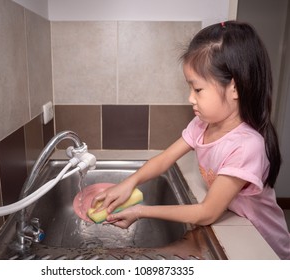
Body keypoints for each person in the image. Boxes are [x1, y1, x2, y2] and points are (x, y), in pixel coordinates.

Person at [91, 21, 290, 259]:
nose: (190, 98)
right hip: (237, 234)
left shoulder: (247, 146)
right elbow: (164, 160)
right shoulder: (202, 125)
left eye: (197, 90)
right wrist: (129, 182)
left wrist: (140, 211)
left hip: (263, 247)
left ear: (234, 88)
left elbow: (206, 213)